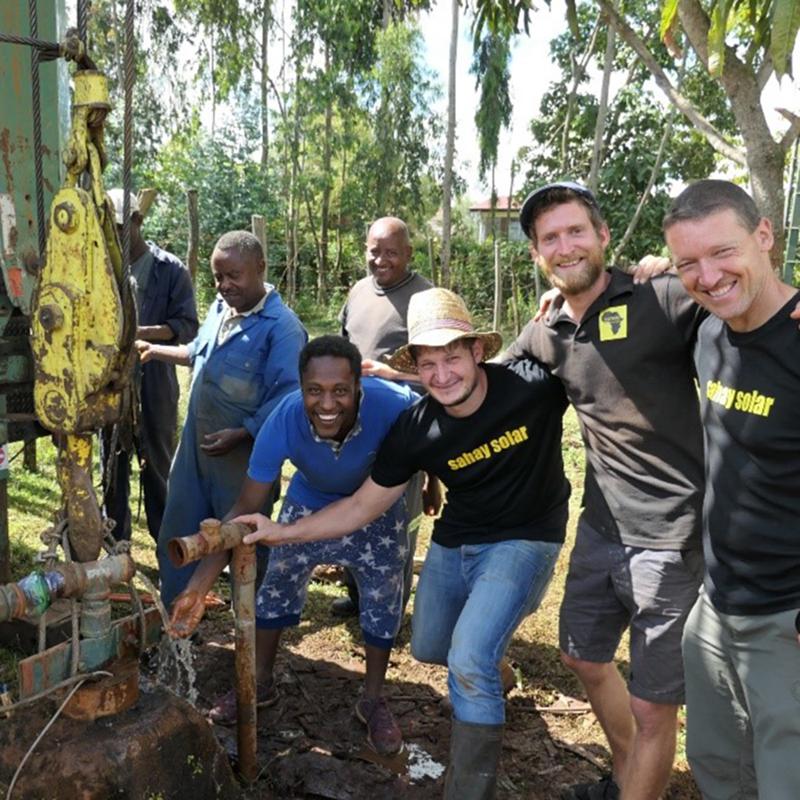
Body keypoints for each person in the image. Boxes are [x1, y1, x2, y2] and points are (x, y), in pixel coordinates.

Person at [235, 288, 571, 800]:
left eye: (453, 358)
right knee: (431, 645)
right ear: (415, 365)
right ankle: (493, 657)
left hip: (527, 536)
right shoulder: (417, 427)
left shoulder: (531, 388)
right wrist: (280, 531)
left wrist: (629, 280)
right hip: (460, 537)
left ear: (478, 352)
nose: (442, 375)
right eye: (428, 363)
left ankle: (468, 789)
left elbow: (594, 347)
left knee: (467, 660)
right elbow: (360, 507)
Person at [506, 181, 705, 800]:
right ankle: (627, 779)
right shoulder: (548, 329)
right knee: (583, 659)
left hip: (671, 539)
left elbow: (745, 302)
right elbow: (481, 386)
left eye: (574, 231)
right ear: (538, 254)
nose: (564, 247)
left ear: (603, 236)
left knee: (654, 709)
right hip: (600, 529)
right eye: (550, 239)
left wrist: (683, 265)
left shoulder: (663, 297)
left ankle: (642, 783)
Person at [169, 335, 419, 755]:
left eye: (340, 390)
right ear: (300, 389)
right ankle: (261, 682)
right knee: (277, 583)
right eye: (314, 391)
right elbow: (246, 508)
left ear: (359, 386)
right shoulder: (284, 418)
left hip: (375, 503)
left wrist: (431, 486)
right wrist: (197, 588)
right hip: (310, 500)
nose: (327, 403)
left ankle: (373, 699)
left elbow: (432, 432)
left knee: (384, 593)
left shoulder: (394, 403)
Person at [662, 179, 800, 799]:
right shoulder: (710, 333)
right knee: (718, 767)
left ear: (765, 236)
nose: (708, 276)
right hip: (716, 608)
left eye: (723, 252)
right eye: (688, 262)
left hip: (787, 620)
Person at [137, 230, 307, 608]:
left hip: (244, 461)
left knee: (245, 542)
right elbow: (197, 352)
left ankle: (252, 635)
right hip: (195, 450)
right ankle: (177, 629)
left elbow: (288, 399)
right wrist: (155, 350)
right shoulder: (219, 309)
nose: (224, 285)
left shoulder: (282, 329)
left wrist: (243, 433)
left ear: (260, 268)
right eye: (218, 277)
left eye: (234, 276)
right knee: (177, 535)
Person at [334, 216, 438, 618]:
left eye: (391, 252)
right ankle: (358, 594)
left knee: (395, 519)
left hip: (403, 431)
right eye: (374, 250)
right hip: (353, 426)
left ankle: (389, 606)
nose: (381, 260)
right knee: (352, 510)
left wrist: (391, 374)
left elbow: (438, 375)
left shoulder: (425, 299)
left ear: (409, 254)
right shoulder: (359, 291)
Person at [103, 188, 198, 542]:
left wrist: (136, 333)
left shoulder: (170, 270)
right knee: (112, 468)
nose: (113, 235)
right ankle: (116, 545)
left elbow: (187, 326)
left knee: (157, 466)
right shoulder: (102, 268)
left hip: (155, 382)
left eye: (118, 226)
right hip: (110, 382)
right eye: (106, 227)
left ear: (138, 221)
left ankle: (166, 547)